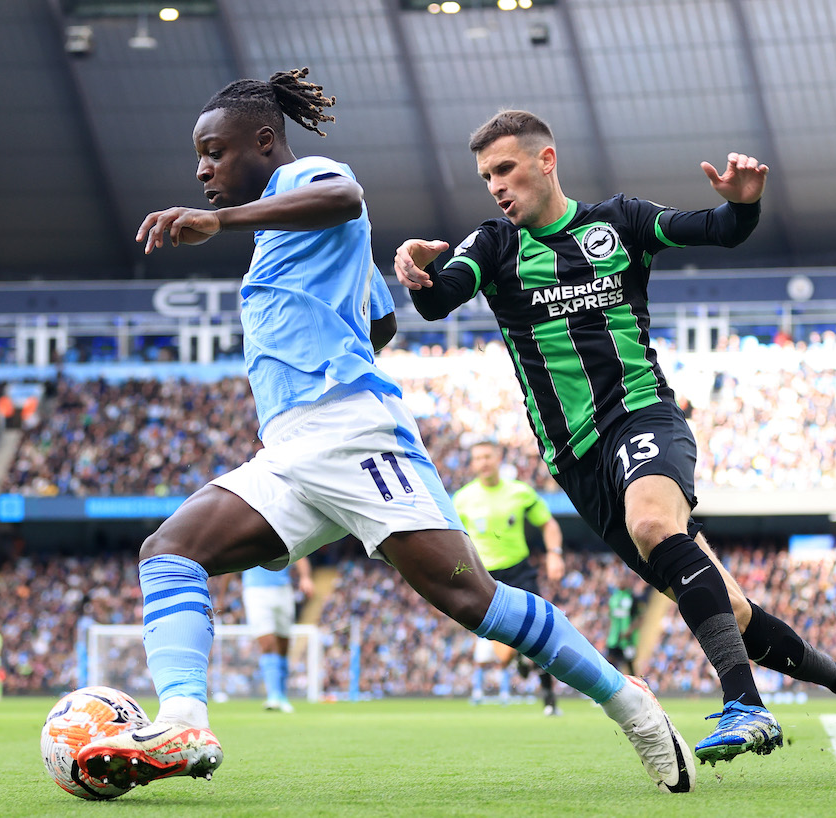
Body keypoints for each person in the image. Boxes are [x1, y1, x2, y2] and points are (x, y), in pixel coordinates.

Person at [78, 70, 695, 795]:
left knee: (476, 602)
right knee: (169, 552)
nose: (203, 169)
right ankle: (183, 720)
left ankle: (630, 704)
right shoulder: (297, 234)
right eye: (199, 159)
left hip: (353, 436)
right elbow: (380, 320)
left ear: (264, 142)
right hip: (293, 447)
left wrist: (222, 222)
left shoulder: (307, 178)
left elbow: (346, 196)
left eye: (213, 152)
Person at [394, 109, 836, 763]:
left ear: (546, 160)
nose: (496, 186)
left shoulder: (620, 222)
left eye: (505, 168)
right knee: (733, 610)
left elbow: (719, 229)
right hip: (578, 461)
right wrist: (415, 269)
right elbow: (438, 298)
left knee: (652, 522)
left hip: (645, 416)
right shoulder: (495, 244)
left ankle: (745, 707)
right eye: (486, 177)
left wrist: (744, 205)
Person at [454, 441, 565, 715]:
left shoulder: (520, 492)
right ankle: (518, 659)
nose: (483, 462)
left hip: (519, 570)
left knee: (539, 631)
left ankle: (549, 698)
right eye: (477, 457)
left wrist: (554, 553)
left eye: (487, 456)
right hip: (484, 576)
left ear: (498, 458)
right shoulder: (462, 500)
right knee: (503, 655)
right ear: (472, 463)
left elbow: (548, 523)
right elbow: (453, 539)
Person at [241, 560, 314, 713]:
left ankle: (281, 695)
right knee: (267, 643)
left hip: (283, 589)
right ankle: (273, 695)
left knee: (283, 645)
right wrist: (221, 593)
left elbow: (300, 555)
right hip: (255, 590)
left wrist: (305, 577)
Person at [605, 584, 642, 676]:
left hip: (627, 639)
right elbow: (610, 615)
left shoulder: (633, 598)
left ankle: (636, 686)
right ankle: (611, 686)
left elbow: (639, 617)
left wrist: (629, 630)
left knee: (629, 663)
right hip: (614, 638)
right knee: (610, 661)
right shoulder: (614, 598)